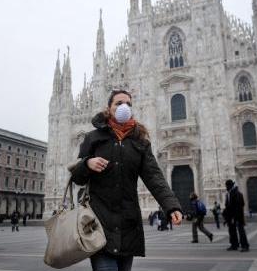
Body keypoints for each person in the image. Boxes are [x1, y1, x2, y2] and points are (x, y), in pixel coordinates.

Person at [71, 89, 183, 271]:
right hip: (99, 225)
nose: (124, 107)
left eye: (128, 104)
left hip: (128, 226)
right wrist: (87, 163)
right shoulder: (94, 138)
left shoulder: (140, 141)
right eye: (119, 103)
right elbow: (77, 177)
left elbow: (154, 176)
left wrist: (172, 206)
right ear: (109, 108)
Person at [222, 179, 249, 252]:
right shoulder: (228, 194)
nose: (226, 187)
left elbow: (240, 205)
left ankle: (245, 246)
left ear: (230, 186)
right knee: (232, 230)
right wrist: (226, 216)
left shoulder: (237, 194)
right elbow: (227, 206)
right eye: (226, 186)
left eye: (227, 186)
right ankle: (234, 245)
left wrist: (235, 217)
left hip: (237, 216)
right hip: (230, 216)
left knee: (241, 231)